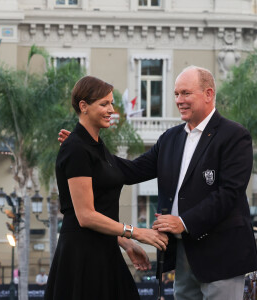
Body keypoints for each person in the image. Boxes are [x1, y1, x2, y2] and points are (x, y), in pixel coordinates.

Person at [59, 66, 257, 300]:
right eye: (176, 94)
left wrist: (183, 222)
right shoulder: (170, 138)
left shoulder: (235, 136)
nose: (179, 100)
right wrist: (85, 147)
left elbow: (229, 194)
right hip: (183, 252)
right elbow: (131, 170)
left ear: (208, 94)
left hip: (222, 254)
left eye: (185, 93)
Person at [45, 75, 168, 300]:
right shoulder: (76, 148)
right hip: (83, 256)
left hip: (104, 249)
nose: (111, 109)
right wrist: (137, 233)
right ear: (83, 106)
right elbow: (86, 217)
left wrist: (125, 243)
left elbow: (135, 170)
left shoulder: (94, 148)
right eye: (104, 104)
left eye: (111, 103)